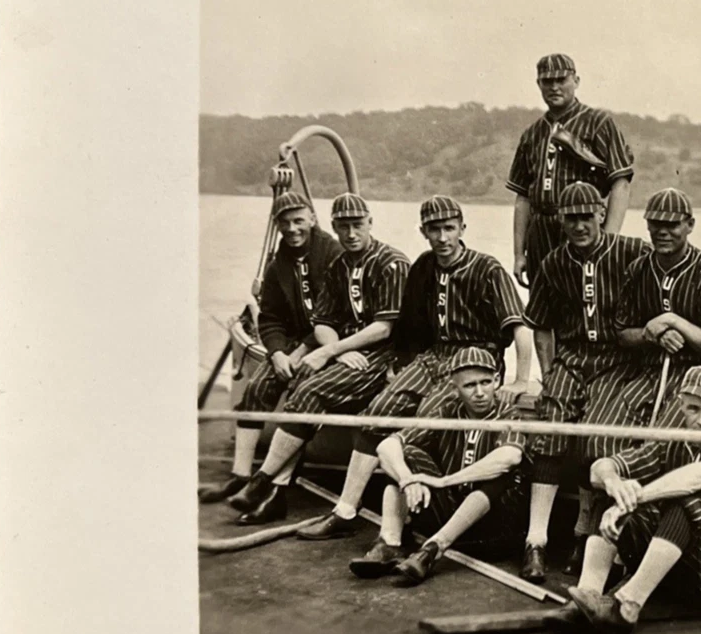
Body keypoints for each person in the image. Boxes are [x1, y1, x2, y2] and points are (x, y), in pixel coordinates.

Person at [297, 194, 532, 541]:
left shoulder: (488, 269)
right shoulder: (423, 266)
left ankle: (405, 520)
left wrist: (523, 379)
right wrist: (399, 365)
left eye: (449, 228)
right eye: (434, 230)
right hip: (432, 356)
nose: (442, 238)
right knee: (378, 412)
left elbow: (520, 329)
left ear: (462, 228)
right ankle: (346, 510)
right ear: (423, 231)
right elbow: (410, 327)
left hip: (474, 357)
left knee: (428, 414)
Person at [228, 193, 410, 524]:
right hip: (349, 349)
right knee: (300, 385)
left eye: (357, 225)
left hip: (384, 354)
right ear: (334, 227)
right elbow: (323, 322)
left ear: (370, 223)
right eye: (343, 227)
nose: (351, 234)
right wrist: (339, 347)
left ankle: (263, 480)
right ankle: (275, 493)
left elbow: (384, 328)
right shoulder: (339, 265)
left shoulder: (391, 263)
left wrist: (331, 350)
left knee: (310, 392)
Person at [521, 182, 649, 583]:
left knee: (599, 436)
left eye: (585, 216)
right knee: (550, 430)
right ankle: (536, 541)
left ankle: (584, 535)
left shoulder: (632, 252)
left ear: (600, 213)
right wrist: (548, 373)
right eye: (570, 218)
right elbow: (541, 327)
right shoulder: (554, 262)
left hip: (618, 359)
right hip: (572, 356)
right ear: (561, 220)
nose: (579, 225)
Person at [199, 191, 341, 504]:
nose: (292, 229)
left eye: (299, 221)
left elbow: (337, 313)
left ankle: (276, 488)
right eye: (285, 223)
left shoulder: (333, 254)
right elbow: (270, 317)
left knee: (302, 393)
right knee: (257, 386)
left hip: (331, 341)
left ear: (312, 220)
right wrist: (276, 352)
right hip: (290, 343)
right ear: (277, 225)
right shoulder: (279, 265)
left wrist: (301, 351)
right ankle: (240, 476)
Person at [347, 347, 530, 585]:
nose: (480, 393)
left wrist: (443, 481)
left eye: (486, 382)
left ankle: (432, 550)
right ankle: (390, 544)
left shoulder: (509, 414)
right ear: (455, 388)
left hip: (494, 529)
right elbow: (386, 446)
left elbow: (510, 457)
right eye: (469, 385)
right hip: (453, 512)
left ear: (497, 381)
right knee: (406, 454)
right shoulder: (447, 411)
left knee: (498, 475)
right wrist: (407, 479)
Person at [547, 365, 701, 634]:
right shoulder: (676, 441)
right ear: (682, 406)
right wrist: (614, 483)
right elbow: (600, 468)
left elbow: (693, 479)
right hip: (677, 562)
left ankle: (628, 606)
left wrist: (634, 499)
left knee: (681, 502)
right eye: (694, 409)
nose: (700, 419)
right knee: (612, 490)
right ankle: (588, 597)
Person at [588, 188, 701, 457]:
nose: (662, 232)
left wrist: (672, 320)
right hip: (648, 371)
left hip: (694, 377)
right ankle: (612, 496)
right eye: (656, 224)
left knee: (662, 447)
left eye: (672, 224)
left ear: (690, 225)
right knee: (599, 439)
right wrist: (651, 335)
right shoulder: (638, 268)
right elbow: (622, 334)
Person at [506, 54, 634, 291]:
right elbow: (522, 196)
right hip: (541, 229)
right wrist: (518, 253)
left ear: (576, 80)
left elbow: (621, 182)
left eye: (561, 79)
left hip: (582, 225)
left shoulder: (599, 122)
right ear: (538, 84)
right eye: (547, 81)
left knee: (584, 298)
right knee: (542, 305)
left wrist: (609, 240)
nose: (554, 87)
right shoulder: (532, 133)